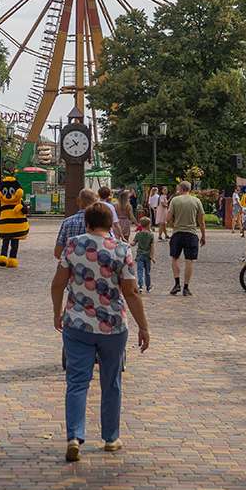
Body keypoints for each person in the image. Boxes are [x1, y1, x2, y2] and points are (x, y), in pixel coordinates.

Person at [50, 201, 150, 462]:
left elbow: (57, 284)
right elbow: (131, 291)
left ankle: (74, 436)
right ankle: (110, 438)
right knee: (111, 383)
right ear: (110, 224)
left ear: (87, 223)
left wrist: (56, 312)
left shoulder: (72, 246)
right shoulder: (121, 249)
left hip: (77, 324)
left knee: (77, 382)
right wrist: (143, 326)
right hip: (113, 326)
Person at [167, 181, 207, 296]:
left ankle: (176, 283)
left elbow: (168, 218)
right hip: (191, 233)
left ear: (180, 189)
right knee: (189, 260)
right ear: (190, 189)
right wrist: (203, 236)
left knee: (175, 258)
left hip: (178, 233)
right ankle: (186, 287)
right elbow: (201, 221)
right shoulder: (196, 201)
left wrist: (175, 226)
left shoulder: (175, 200)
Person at [53, 188, 95, 258]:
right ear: (95, 202)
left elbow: (58, 252)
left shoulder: (67, 222)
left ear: (78, 201)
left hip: (72, 266)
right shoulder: (100, 222)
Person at [133, 216, 155, 291]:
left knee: (140, 270)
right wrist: (153, 256)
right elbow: (152, 246)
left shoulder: (138, 234)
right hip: (148, 255)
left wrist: (127, 243)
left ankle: (140, 285)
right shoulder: (151, 235)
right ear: (149, 225)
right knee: (147, 271)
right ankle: (148, 286)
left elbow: (133, 243)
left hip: (140, 255)